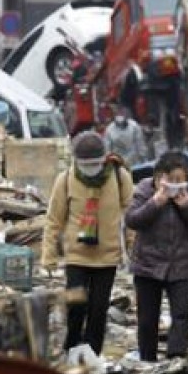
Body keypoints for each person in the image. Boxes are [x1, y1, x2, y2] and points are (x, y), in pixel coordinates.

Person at [42, 131, 134, 355]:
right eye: (85, 164)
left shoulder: (120, 177)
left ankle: (92, 355)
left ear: (104, 159)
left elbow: (130, 213)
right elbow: (54, 220)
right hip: (77, 255)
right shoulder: (65, 180)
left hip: (108, 256)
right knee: (76, 305)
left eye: (95, 164)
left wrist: (131, 247)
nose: (90, 168)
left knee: (98, 310)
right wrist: (49, 256)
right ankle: (71, 350)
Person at [124, 151, 188, 362]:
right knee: (147, 319)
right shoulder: (145, 189)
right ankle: (147, 359)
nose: (173, 185)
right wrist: (155, 202)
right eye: (168, 180)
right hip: (148, 263)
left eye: (179, 180)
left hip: (181, 264)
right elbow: (132, 220)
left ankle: (176, 358)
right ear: (158, 177)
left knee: (181, 316)